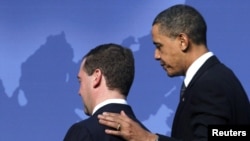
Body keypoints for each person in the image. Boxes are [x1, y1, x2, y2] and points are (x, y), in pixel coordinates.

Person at [97, 4, 250, 141]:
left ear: (182, 41)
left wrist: (148, 139)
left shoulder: (210, 85)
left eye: (159, 46)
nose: (156, 55)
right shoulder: (218, 77)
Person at [63, 43, 149, 141]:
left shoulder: (85, 131)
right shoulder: (148, 135)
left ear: (96, 77)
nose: (79, 92)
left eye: (80, 81)